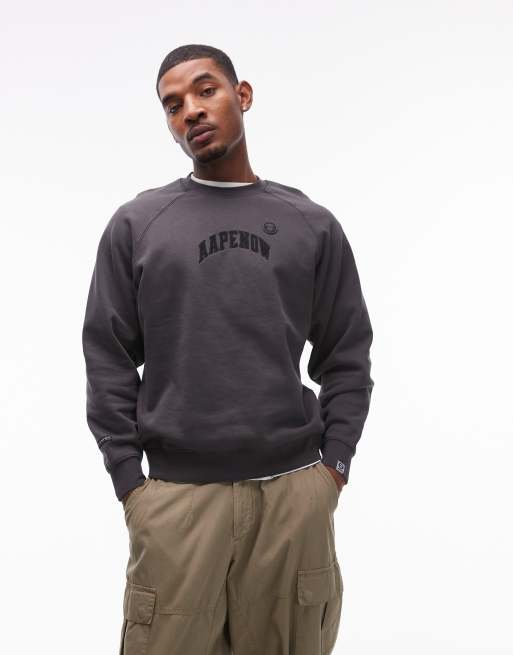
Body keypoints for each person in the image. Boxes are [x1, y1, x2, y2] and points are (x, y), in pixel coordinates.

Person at [81, 43, 374, 655]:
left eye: (205, 89)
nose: (190, 110)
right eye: (172, 105)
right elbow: (107, 356)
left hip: (293, 499)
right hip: (177, 505)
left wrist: (334, 470)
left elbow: (347, 353)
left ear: (243, 96)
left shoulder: (310, 224)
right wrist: (131, 484)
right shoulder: (138, 225)